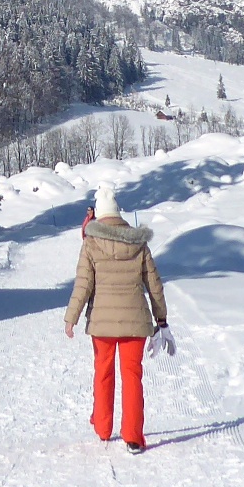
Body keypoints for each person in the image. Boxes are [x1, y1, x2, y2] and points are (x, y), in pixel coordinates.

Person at [63, 187, 170, 454]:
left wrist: (71, 318)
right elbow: (154, 284)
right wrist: (161, 318)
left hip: (102, 323)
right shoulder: (138, 243)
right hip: (136, 322)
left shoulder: (91, 243)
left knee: (103, 372)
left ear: (99, 214)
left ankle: (102, 427)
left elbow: (83, 284)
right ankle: (133, 436)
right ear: (119, 213)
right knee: (132, 376)